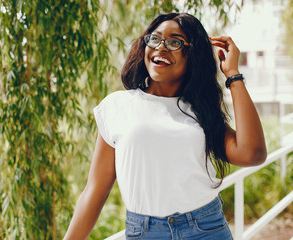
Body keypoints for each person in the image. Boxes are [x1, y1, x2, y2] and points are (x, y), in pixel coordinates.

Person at [64, 12, 267, 240]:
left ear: (192, 55)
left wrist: (233, 74)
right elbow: (95, 191)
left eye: (174, 42)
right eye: (155, 38)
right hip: (144, 232)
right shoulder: (117, 106)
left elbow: (252, 154)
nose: (161, 47)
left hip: (205, 229)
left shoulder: (202, 112)